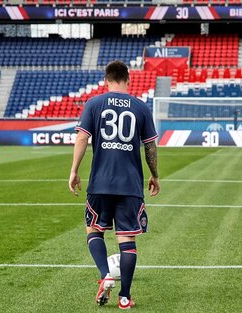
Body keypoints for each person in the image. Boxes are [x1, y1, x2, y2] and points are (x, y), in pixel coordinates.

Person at [69, 60, 160, 310]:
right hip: (130, 185)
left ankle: (105, 273)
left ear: (106, 80)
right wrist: (154, 174)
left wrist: (74, 170)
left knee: (94, 230)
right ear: (128, 80)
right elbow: (150, 146)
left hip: (100, 182)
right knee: (127, 239)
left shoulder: (94, 104)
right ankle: (124, 297)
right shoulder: (141, 107)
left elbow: (82, 138)